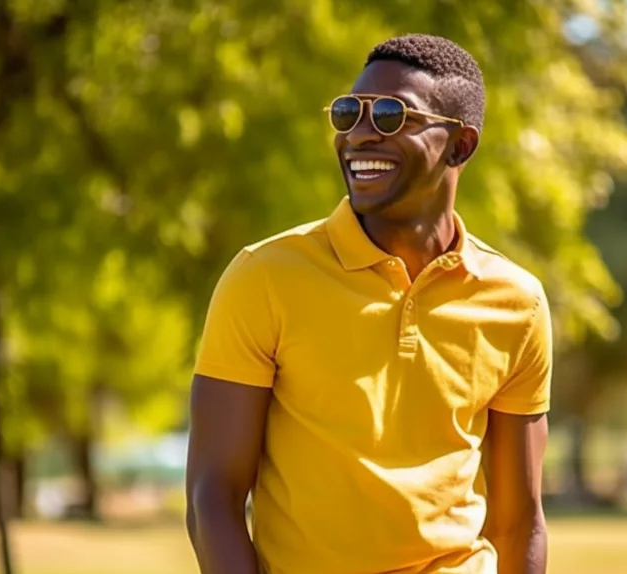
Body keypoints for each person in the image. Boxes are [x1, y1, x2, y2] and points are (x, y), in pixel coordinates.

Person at [185, 33, 551, 574]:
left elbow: (519, 521)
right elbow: (212, 495)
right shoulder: (263, 277)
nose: (359, 134)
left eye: (390, 115)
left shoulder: (516, 302)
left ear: (461, 145)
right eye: (348, 112)